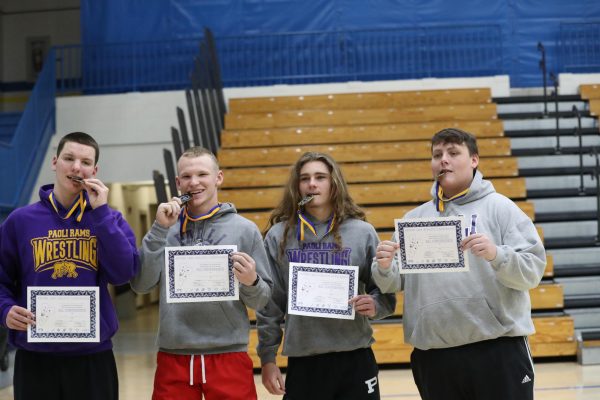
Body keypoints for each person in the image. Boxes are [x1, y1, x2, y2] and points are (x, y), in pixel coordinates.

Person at [372, 128, 546, 400]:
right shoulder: (415, 219)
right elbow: (392, 281)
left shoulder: (501, 208)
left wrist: (496, 255)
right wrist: (383, 266)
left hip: (498, 350)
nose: (443, 160)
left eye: (453, 153)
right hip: (435, 357)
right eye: (437, 155)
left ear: (474, 160)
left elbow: (532, 270)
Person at [0, 131, 140, 400]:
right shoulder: (20, 221)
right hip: (35, 357)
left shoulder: (110, 219)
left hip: (93, 358)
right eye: (69, 158)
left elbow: (124, 273)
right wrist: (5, 309)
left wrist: (101, 215)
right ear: (55, 162)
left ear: (94, 170)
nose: (77, 167)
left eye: (86, 162)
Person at [131, 146, 272, 400]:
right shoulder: (164, 229)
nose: (193, 182)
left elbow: (262, 300)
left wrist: (251, 281)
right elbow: (141, 285)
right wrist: (159, 230)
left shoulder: (245, 230)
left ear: (218, 178)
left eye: (202, 174)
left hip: (228, 354)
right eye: (186, 176)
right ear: (177, 182)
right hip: (174, 355)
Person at [257, 151, 396, 400]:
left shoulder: (362, 232)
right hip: (304, 361)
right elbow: (271, 305)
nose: (312, 183)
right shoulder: (279, 236)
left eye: (320, 177)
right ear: (297, 187)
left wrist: (375, 305)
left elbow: (384, 292)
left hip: (355, 357)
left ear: (334, 183)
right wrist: (268, 357)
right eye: (305, 178)